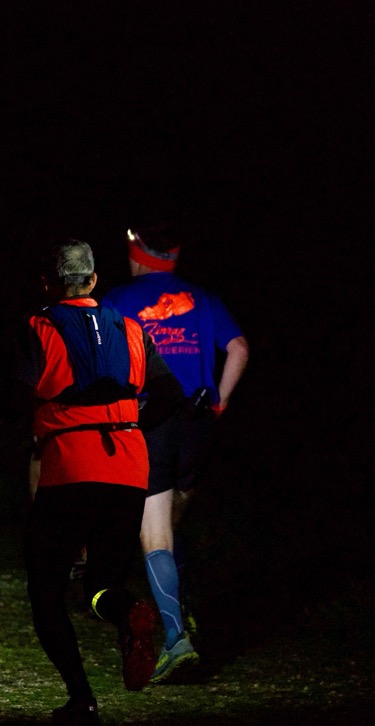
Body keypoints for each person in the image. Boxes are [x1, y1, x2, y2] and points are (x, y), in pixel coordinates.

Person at [9, 239, 184, 726]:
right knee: (101, 583)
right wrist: (131, 423)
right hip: (128, 467)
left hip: (70, 467)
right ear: (92, 281)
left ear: (48, 283)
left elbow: (18, 400)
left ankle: (81, 701)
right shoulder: (131, 329)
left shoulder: (38, 326)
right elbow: (170, 394)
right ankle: (128, 610)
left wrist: (19, 441)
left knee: (46, 589)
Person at [99, 222, 249, 682]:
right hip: (199, 425)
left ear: (139, 255)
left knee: (155, 535)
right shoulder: (202, 297)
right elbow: (239, 348)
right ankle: (185, 609)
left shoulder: (119, 299)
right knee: (174, 522)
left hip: (154, 425)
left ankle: (176, 640)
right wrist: (220, 402)